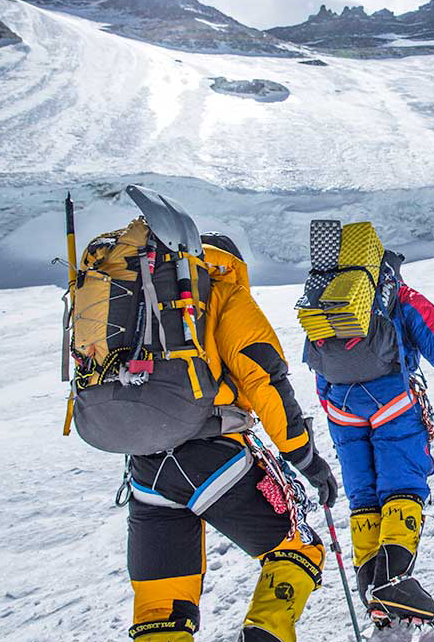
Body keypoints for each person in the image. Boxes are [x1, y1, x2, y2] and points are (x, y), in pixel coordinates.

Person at [123, 228, 337, 642]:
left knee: (161, 606)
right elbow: (265, 379)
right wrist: (306, 458)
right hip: (213, 458)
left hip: (146, 471)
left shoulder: (144, 299)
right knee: (297, 548)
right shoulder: (223, 291)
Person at [305, 246, 434, 628]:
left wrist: (334, 407)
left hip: (340, 408)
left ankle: (369, 584)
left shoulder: (329, 304)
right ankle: (392, 581)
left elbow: (318, 361)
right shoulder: (399, 298)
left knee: (364, 495)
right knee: (401, 485)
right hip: (393, 404)